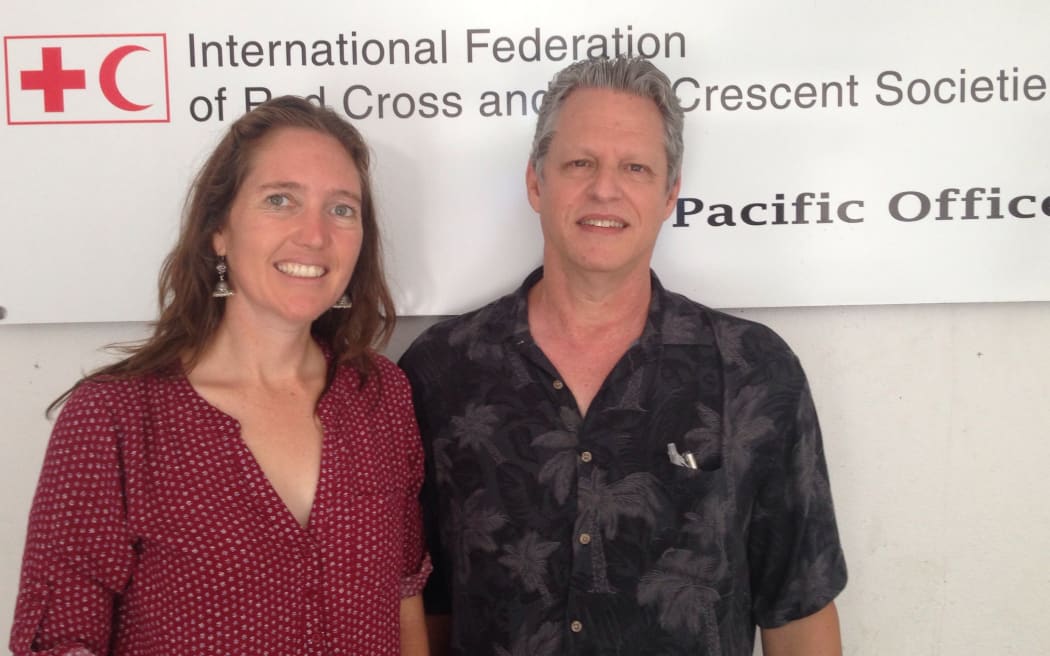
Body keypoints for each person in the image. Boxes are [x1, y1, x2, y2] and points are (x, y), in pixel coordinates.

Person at [398, 57, 847, 655]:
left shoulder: (754, 372)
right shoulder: (440, 371)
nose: (604, 189)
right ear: (536, 182)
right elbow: (420, 608)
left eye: (635, 167)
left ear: (669, 193)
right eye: (580, 163)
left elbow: (798, 610)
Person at [10, 96, 430, 655]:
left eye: (341, 209)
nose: (314, 234)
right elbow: (59, 641)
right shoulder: (115, 418)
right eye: (279, 200)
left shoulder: (381, 395)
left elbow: (404, 596)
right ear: (219, 230)